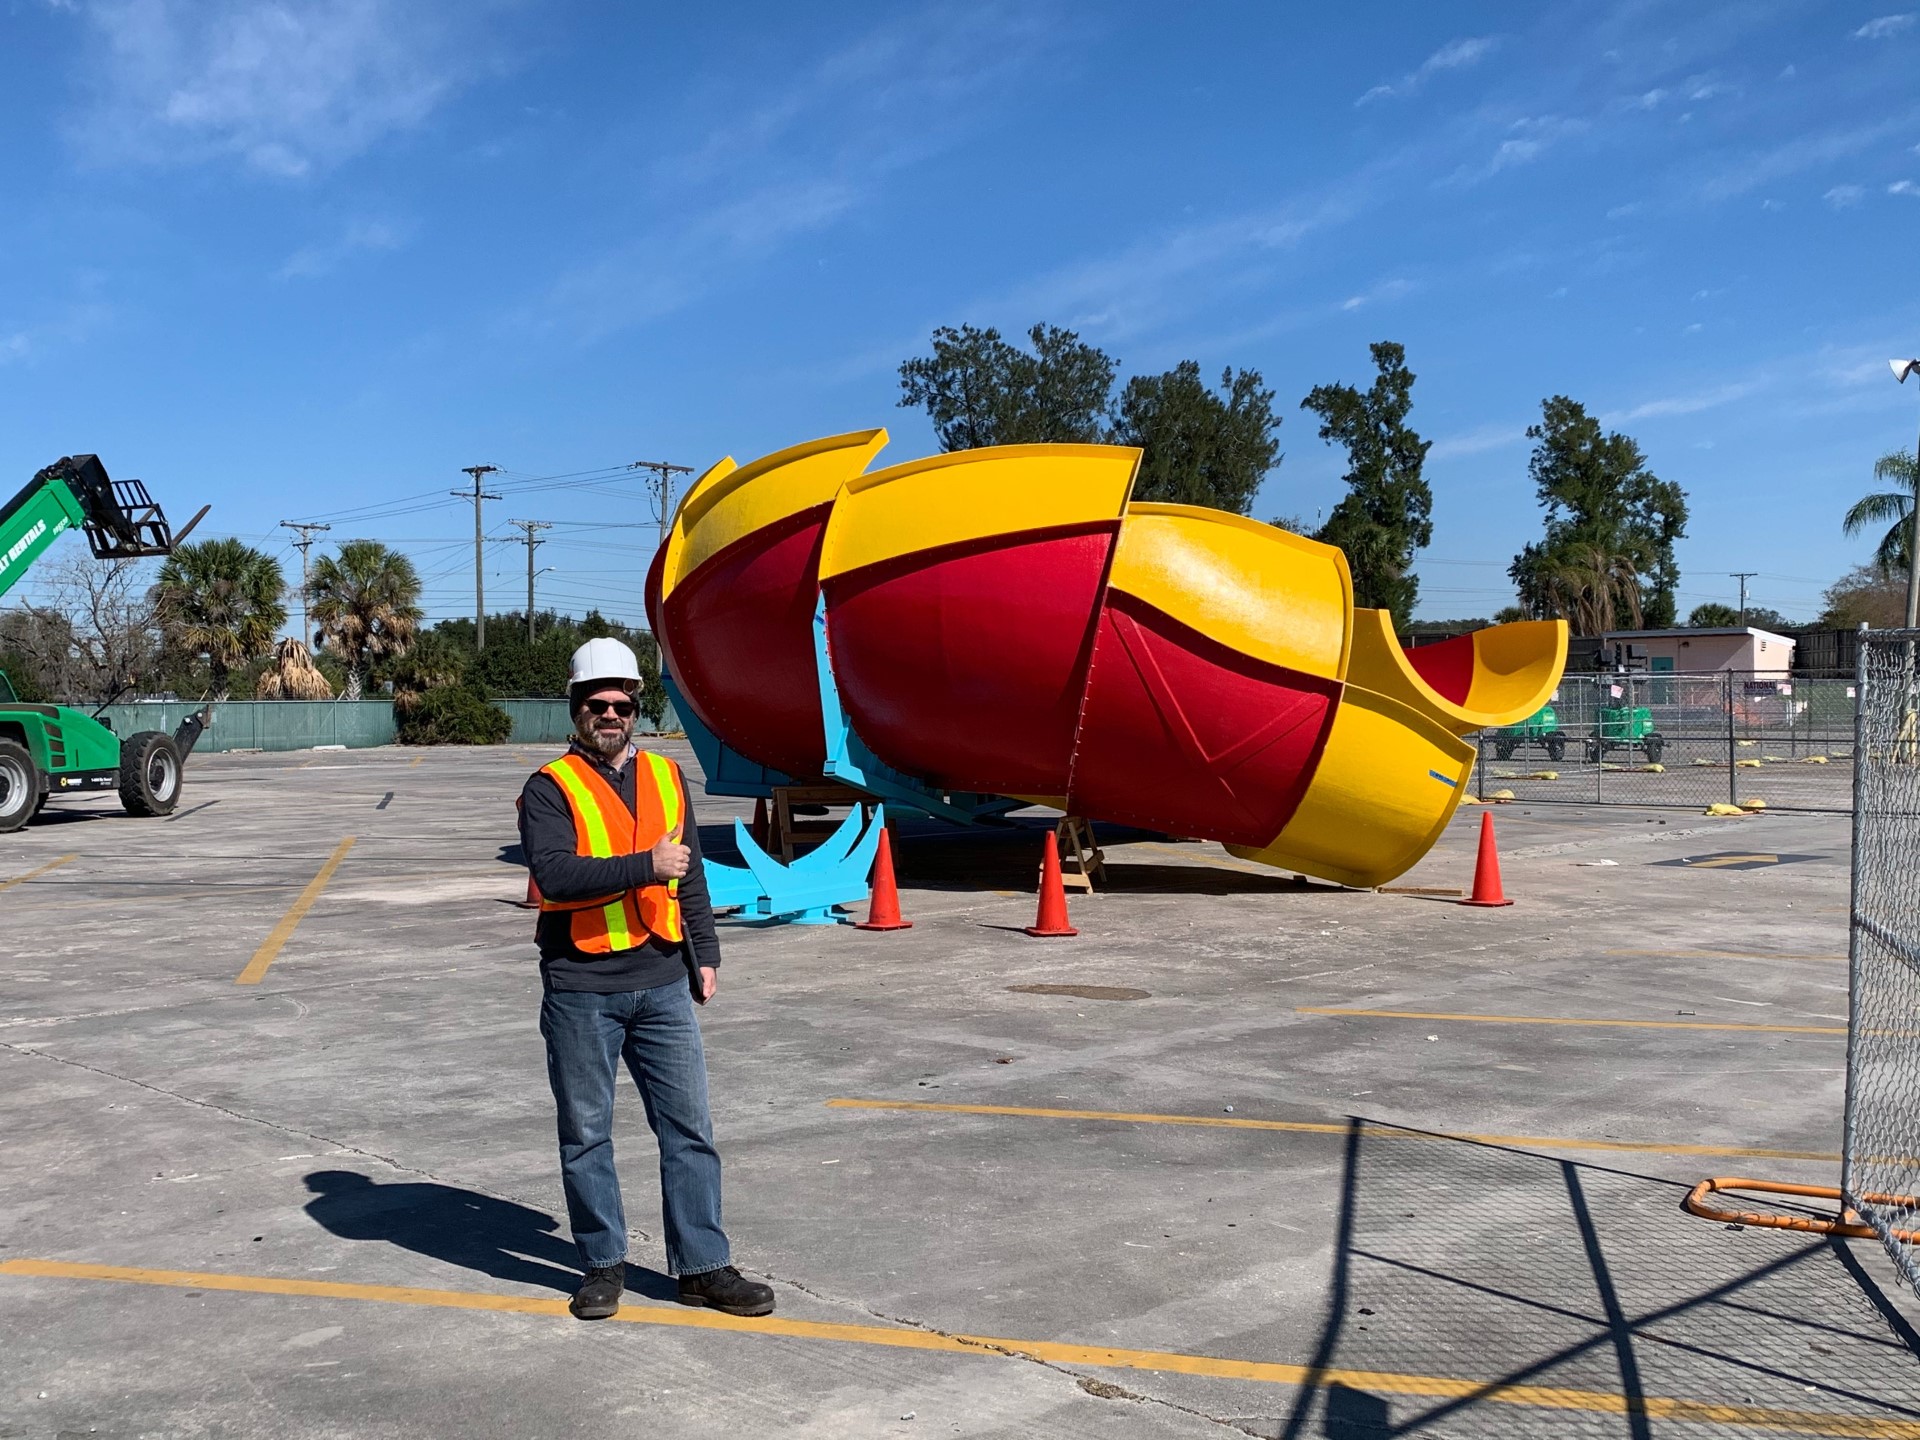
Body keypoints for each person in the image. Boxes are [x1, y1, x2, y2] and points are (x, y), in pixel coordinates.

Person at [517, 636, 774, 1321]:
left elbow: (688, 872)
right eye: (597, 704)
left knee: (689, 1129)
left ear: (636, 708)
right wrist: (644, 866)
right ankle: (602, 1265)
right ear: (576, 709)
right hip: (581, 988)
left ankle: (703, 1266)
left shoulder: (666, 776)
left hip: (662, 979)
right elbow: (556, 876)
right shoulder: (550, 787)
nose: (611, 715)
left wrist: (706, 953)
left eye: (622, 704)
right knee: (587, 1134)